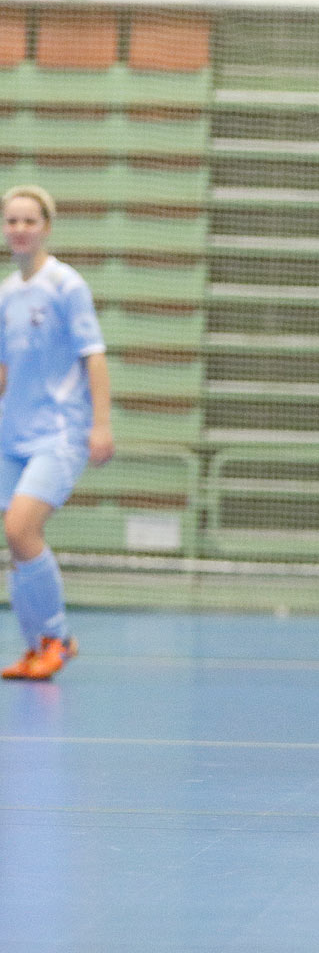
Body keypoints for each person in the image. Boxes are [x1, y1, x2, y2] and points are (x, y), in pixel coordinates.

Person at [1, 185, 114, 681]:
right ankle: (35, 648)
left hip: (59, 433)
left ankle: (57, 637)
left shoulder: (67, 285)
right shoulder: (6, 293)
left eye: (29, 220)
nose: (20, 229)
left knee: (21, 528)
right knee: (17, 542)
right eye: (12, 221)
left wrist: (101, 425)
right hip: (12, 435)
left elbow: (94, 356)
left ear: (46, 227)